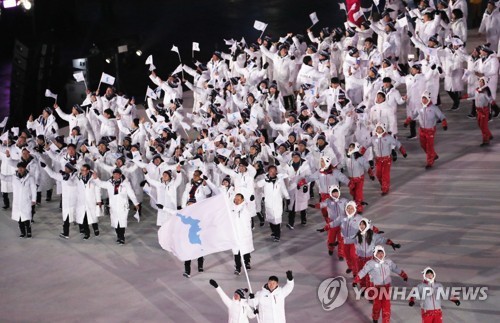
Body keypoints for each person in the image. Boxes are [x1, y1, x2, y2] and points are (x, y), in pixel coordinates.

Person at [354, 245, 408, 323]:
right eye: (378, 253)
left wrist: (403, 275)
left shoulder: (388, 262)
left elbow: (396, 268)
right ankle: (375, 317)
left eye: (382, 253)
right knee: (377, 305)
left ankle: (386, 321)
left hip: (386, 287)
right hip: (376, 287)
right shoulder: (370, 263)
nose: (380, 255)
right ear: (375, 254)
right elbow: (363, 271)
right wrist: (356, 280)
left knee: (386, 306)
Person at [92, 168, 139, 245]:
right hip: (113, 206)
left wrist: (136, 203)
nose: (115, 176)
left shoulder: (125, 183)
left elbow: (131, 193)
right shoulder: (109, 183)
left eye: (117, 174)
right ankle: (118, 236)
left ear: (120, 175)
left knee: (122, 222)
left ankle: (122, 237)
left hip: (122, 206)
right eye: (114, 174)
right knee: (115, 223)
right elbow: (100, 184)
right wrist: (96, 178)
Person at [404, 92, 447, 169]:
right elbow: (413, 115)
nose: (424, 100)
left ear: (428, 99)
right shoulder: (419, 107)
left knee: (429, 146)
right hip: (422, 130)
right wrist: (407, 121)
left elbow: (441, 116)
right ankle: (433, 155)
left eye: (425, 98)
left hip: (430, 130)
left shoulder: (434, 108)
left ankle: (430, 162)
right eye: (423, 98)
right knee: (423, 145)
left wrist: (444, 123)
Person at [361, 123, 407, 195]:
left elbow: (397, 143)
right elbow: (365, 145)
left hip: (387, 160)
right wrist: (360, 153)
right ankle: (384, 185)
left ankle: (385, 188)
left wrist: (403, 151)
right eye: (378, 129)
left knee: (385, 175)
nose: (379, 130)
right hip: (378, 160)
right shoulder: (373, 138)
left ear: (383, 129)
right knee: (378, 174)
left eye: (380, 129)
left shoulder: (388, 137)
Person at [40, 162, 79, 239]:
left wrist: (67, 178)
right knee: (66, 218)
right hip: (66, 201)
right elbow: (52, 174)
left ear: (70, 169)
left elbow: (72, 184)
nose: (65, 169)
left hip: (74, 200)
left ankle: (82, 230)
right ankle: (66, 233)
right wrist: (45, 167)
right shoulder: (62, 176)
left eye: (66, 168)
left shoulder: (76, 176)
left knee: (78, 215)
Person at [0, 162, 36, 238]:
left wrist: (34, 199)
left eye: (22, 167)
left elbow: (33, 189)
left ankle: (29, 232)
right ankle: (22, 232)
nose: (20, 169)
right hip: (17, 202)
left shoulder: (30, 178)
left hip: (26, 201)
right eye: (19, 167)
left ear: (25, 168)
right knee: (19, 219)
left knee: (26, 218)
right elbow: (4, 178)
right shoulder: (14, 177)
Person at [256, 165, 290, 242]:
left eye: (274, 171)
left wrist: (287, 198)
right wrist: (265, 180)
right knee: (270, 219)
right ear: (268, 172)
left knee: (277, 219)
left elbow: (283, 189)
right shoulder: (265, 179)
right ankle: (274, 232)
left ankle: (277, 234)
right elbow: (257, 185)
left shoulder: (279, 180)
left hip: (277, 203)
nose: (273, 173)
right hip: (269, 203)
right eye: (271, 171)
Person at [316, 185, 347, 259]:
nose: (335, 194)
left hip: (341, 224)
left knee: (341, 239)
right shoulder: (328, 201)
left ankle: (341, 254)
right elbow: (321, 205)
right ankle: (330, 248)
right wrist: (315, 205)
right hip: (332, 223)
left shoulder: (344, 201)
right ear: (330, 193)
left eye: (336, 192)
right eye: (333, 193)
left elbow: (350, 207)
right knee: (331, 239)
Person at [231, 193, 254, 275]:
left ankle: (247, 262)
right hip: (235, 233)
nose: (236, 201)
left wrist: (251, 200)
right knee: (236, 252)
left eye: (238, 199)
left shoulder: (245, 207)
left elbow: (250, 206)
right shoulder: (231, 207)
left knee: (245, 249)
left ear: (242, 200)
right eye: (235, 199)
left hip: (244, 233)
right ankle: (238, 267)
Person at [474, 77, 494, 146]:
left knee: (483, 126)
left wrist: (493, 110)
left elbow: (491, 101)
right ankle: (489, 135)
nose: (480, 83)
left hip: (484, 111)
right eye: (480, 81)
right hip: (478, 111)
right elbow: (474, 97)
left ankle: (486, 140)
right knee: (480, 125)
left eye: (482, 82)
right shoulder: (477, 90)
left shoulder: (486, 91)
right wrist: (463, 97)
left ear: (485, 83)